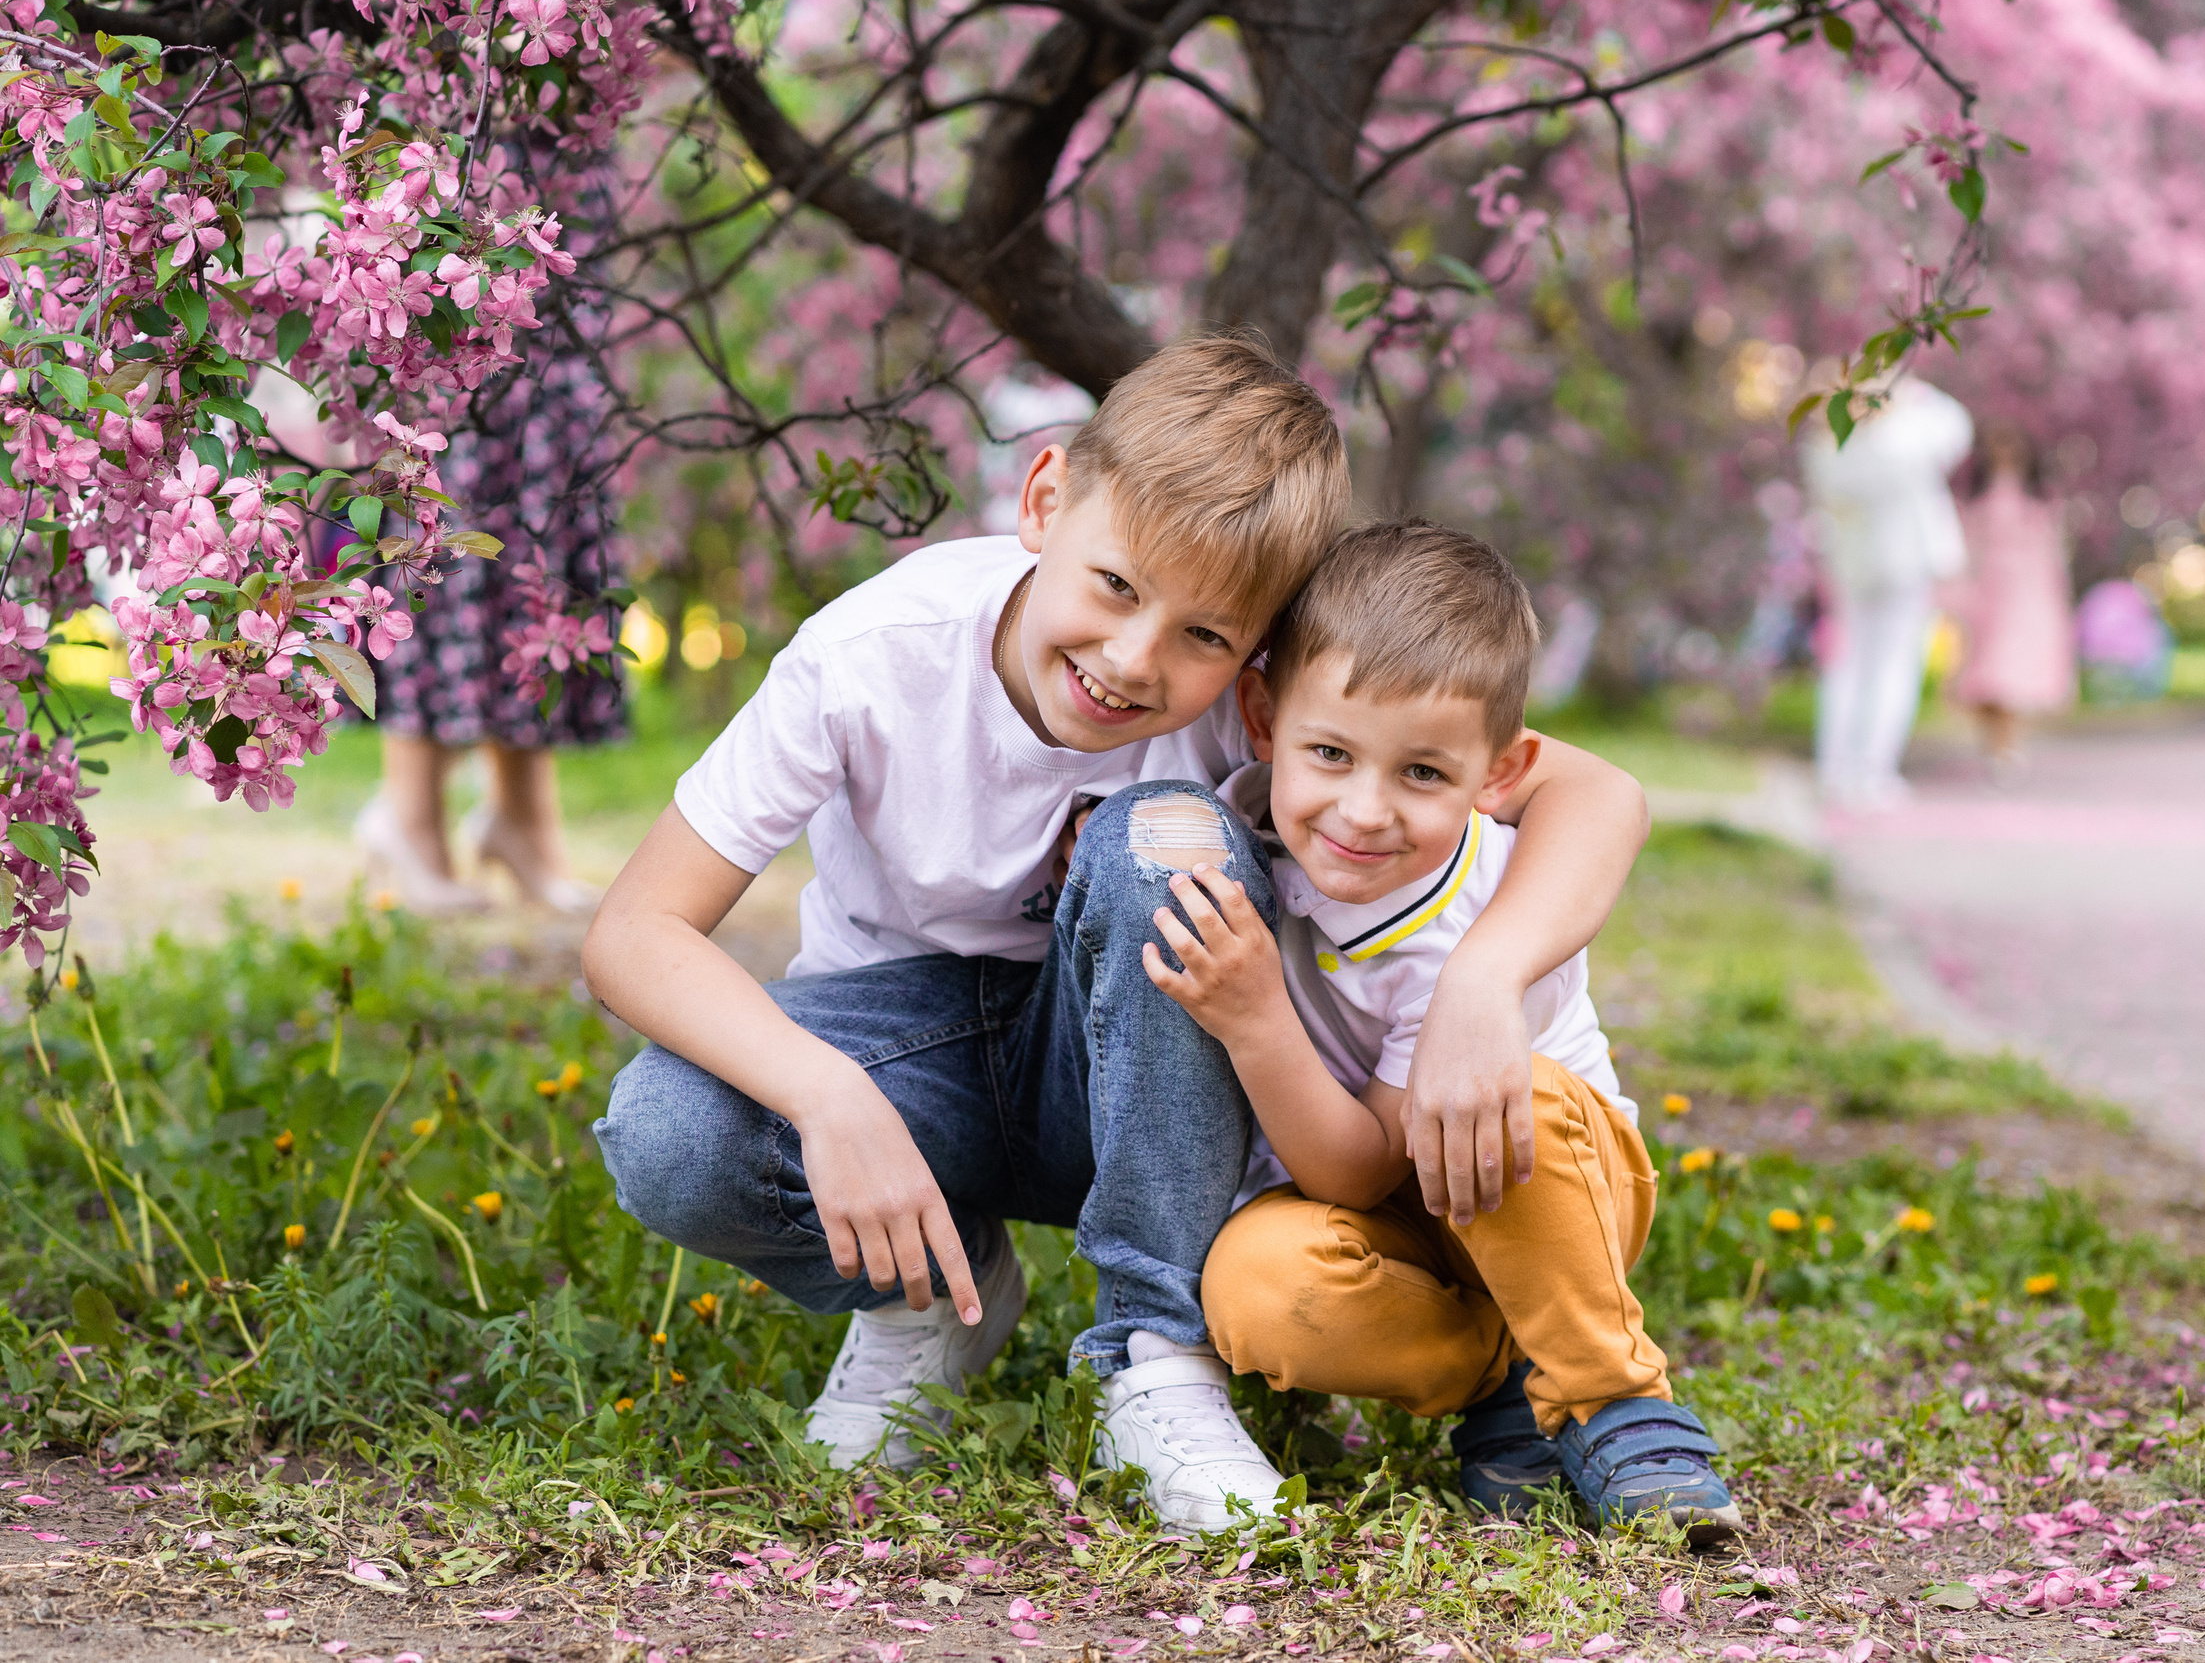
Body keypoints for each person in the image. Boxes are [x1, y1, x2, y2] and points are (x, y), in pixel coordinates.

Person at [581, 336, 1652, 1532]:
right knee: (671, 1133)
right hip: (913, 1058)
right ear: (1045, 500)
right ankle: (931, 1294)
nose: (1133, 661)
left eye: (1204, 636)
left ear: (1254, 665)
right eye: (1115, 586)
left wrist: (1484, 982)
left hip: (1144, 1079)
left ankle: (1156, 1352)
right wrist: (830, 1099)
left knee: (1161, 843)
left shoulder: (1268, 711)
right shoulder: (869, 657)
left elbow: (1596, 794)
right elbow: (633, 932)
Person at [1143, 521, 1738, 1544]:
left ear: (1498, 773)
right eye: (1328, 753)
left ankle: (1612, 1396)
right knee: (1253, 1288)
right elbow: (1360, 1197)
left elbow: (1365, 1168)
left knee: (1520, 1098)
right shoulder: (1236, 834)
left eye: (1422, 774)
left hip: (1547, 1185)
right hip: (1405, 1234)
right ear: (1261, 717)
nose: (1363, 811)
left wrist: (1257, 1024)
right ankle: (1503, 1375)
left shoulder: (1478, 903)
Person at [352, 324, 624, 915]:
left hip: (556, 346)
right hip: (450, 344)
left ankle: (521, 820)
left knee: (534, 564)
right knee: (447, 555)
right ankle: (411, 818)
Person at [1800, 377, 1973, 808]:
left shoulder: (1828, 443)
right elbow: (1956, 429)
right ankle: (1872, 771)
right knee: (1892, 666)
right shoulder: (1904, 437)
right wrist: (1916, 391)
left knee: (1848, 664)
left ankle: (1836, 771)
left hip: (1850, 564)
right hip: (1901, 564)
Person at [1945, 423, 2076, 778]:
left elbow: (2053, 555)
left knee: (2009, 675)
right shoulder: (1974, 500)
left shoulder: (2042, 500)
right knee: (1985, 679)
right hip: (1985, 595)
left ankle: (2006, 748)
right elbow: (1965, 549)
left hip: (2026, 595)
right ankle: (1995, 745)